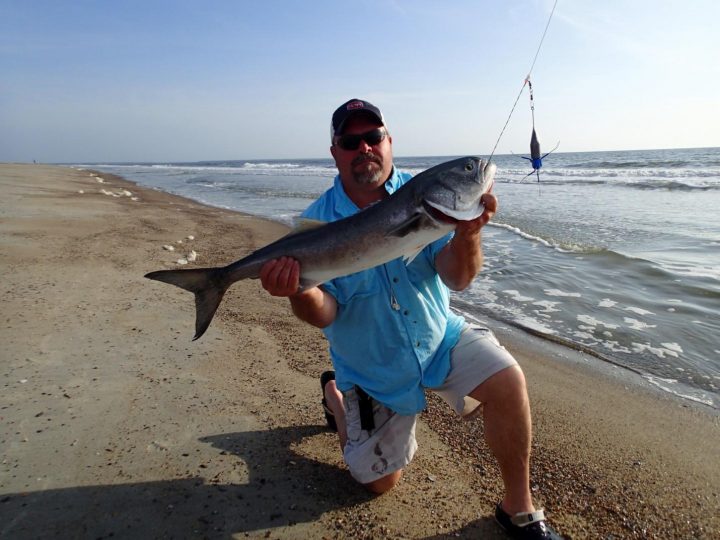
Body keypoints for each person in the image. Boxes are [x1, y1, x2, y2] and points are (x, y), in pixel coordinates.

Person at [259, 99, 561, 540]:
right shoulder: (317, 222)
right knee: (378, 484)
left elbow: (458, 278)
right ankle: (336, 399)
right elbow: (325, 314)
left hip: (438, 339)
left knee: (509, 381)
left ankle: (518, 508)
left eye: (373, 137)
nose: (364, 147)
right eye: (350, 141)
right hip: (373, 365)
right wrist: (299, 290)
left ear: (389, 142)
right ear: (335, 152)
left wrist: (469, 233)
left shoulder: (423, 197)